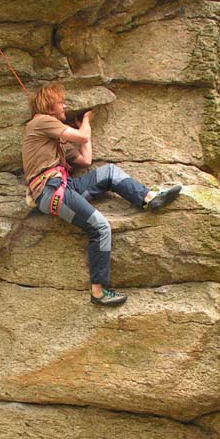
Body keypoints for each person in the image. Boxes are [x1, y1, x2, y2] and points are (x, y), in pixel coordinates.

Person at [22, 83, 181, 307]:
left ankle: (148, 198)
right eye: (60, 102)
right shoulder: (41, 121)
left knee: (109, 173)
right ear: (49, 104)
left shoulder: (57, 142)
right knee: (100, 227)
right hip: (51, 192)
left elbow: (85, 160)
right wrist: (86, 121)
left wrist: (82, 129)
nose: (64, 105)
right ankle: (98, 291)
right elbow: (82, 138)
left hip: (63, 188)